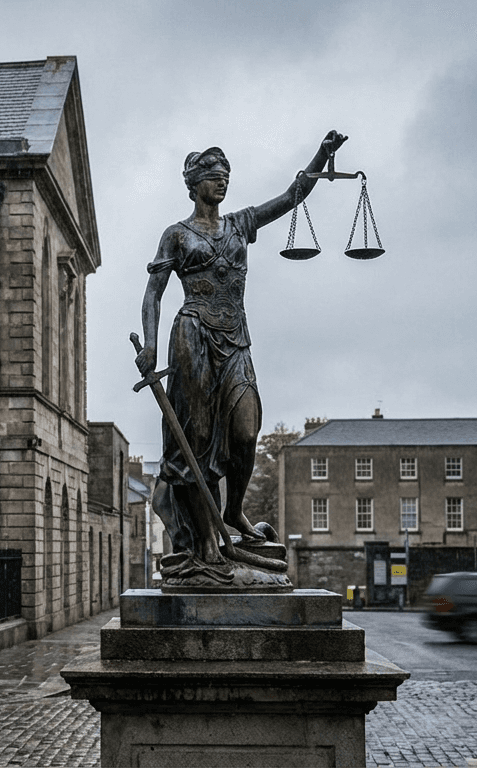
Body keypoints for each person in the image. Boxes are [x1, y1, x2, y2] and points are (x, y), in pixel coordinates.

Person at [136, 131, 348, 584]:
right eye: (214, 177)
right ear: (194, 184)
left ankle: (232, 511)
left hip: (235, 338)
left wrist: (321, 155)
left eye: (227, 177)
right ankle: (207, 546)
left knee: (246, 426)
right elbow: (154, 292)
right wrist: (151, 346)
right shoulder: (176, 234)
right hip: (192, 337)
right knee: (196, 439)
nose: (223, 183)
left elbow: (292, 196)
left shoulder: (241, 224)